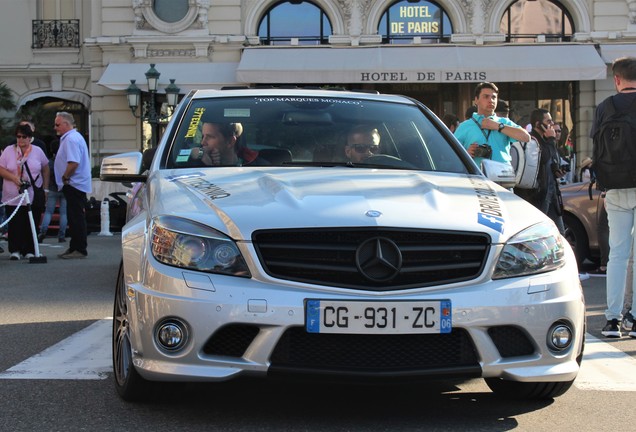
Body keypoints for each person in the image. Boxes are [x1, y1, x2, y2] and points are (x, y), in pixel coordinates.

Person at [590, 56, 636, 338]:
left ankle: (612, 320)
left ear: (616, 79)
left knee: (617, 254)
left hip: (615, 187)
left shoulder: (604, 107)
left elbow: (596, 147)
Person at [0, 124, 49, 260]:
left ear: (30, 138)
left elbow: (45, 168)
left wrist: (45, 188)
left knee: (31, 222)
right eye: (18, 136)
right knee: (15, 222)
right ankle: (15, 249)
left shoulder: (38, 151)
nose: (20, 140)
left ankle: (30, 249)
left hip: (32, 193)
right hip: (12, 193)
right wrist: (13, 178)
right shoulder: (9, 150)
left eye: (24, 137)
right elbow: (1, 168)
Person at [515, 108, 566, 234]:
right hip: (539, 194)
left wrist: (556, 171)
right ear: (538, 124)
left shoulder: (546, 140)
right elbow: (544, 158)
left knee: (560, 233)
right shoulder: (532, 140)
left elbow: (553, 159)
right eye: (548, 122)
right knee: (539, 231)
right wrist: (551, 140)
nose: (551, 125)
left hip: (551, 191)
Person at [454, 82, 530, 167]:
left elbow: (526, 137)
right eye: (486, 97)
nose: (491, 100)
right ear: (476, 100)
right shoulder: (464, 126)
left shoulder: (504, 122)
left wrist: (497, 126)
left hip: (502, 176)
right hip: (476, 176)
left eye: (494, 97)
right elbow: (450, 154)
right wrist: (465, 154)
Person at [54, 111, 91, 259]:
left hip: (74, 184)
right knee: (73, 216)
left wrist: (65, 176)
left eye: (57, 124)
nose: (55, 127)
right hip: (74, 184)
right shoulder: (72, 138)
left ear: (66, 124)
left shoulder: (71, 139)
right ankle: (74, 246)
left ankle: (80, 249)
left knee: (76, 218)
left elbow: (73, 162)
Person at [189, 121, 264, 166]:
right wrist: (194, 154)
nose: (203, 142)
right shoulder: (195, 162)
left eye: (210, 137)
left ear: (230, 142)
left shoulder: (259, 166)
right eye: (203, 136)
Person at [38, 139, 67, 243]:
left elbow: (46, 174)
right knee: (64, 213)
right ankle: (62, 235)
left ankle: (43, 232)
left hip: (51, 189)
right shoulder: (66, 162)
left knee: (48, 212)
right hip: (64, 188)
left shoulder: (50, 162)